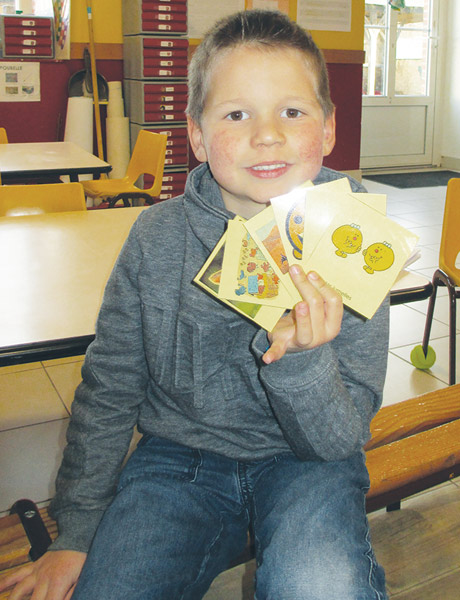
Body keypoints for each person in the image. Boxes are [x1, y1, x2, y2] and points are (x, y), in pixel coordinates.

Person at [1, 9, 389, 600]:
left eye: (292, 111)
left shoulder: (357, 244)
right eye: (236, 114)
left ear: (330, 128)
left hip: (307, 463)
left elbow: (338, 442)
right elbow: (109, 389)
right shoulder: (155, 238)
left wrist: (303, 359)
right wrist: (76, 530)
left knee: (322, 585)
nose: (267, 134)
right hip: (178, 460)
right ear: (198, 136)